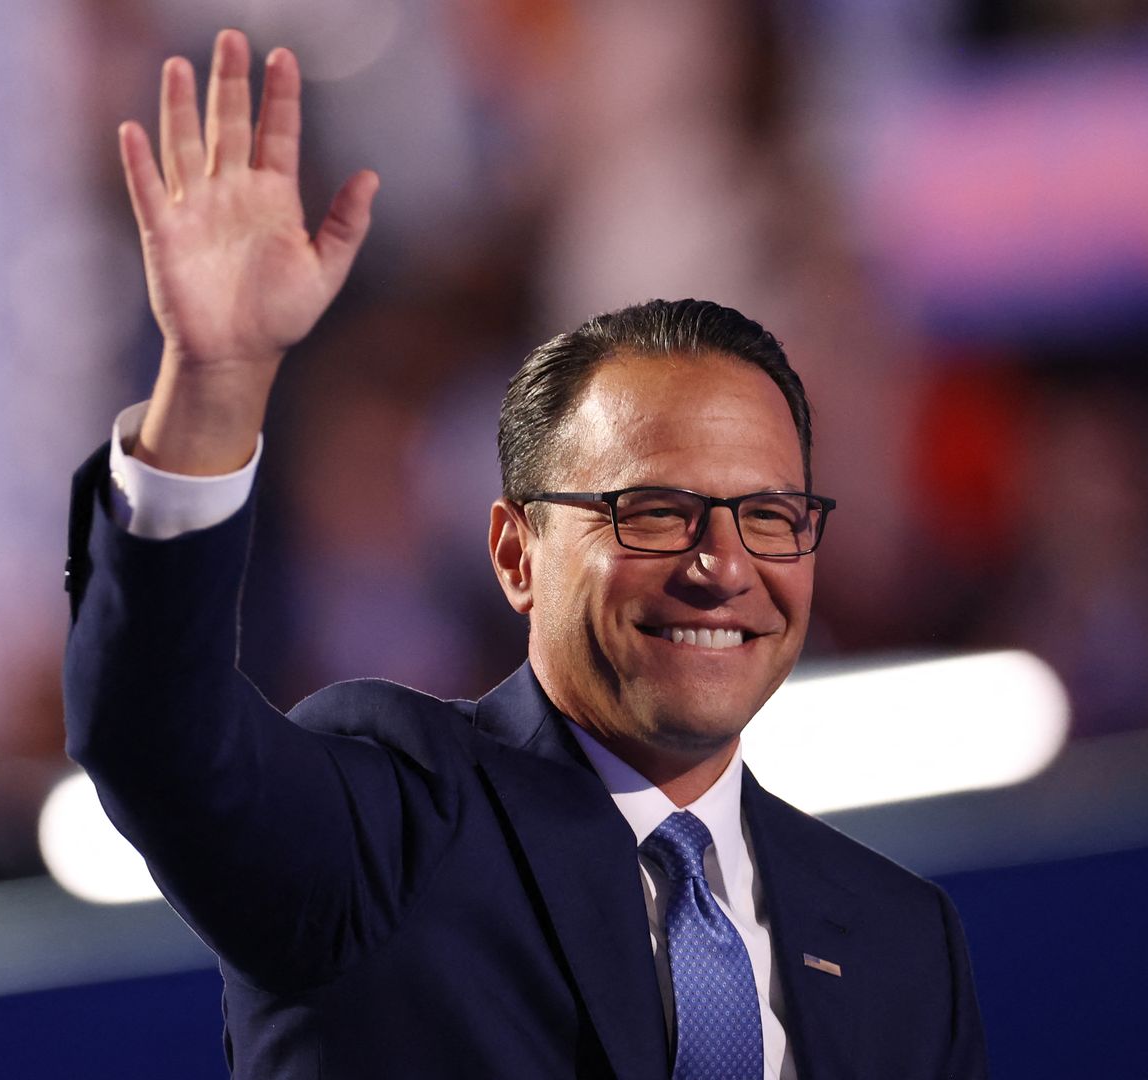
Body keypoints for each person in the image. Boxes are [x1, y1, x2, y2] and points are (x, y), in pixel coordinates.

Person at [63, 29, 989, 1079]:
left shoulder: (901, 940)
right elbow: (159, 742)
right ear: (516, 553)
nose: (720, 563)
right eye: (651, 510)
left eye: (770, 514)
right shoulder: (392, 835)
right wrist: (216, 382)